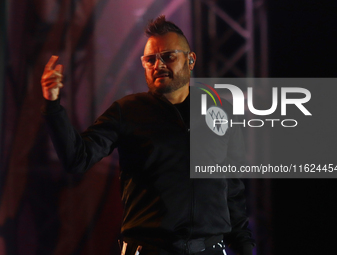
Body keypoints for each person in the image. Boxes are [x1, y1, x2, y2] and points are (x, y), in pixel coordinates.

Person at [41, 15, 255, 255]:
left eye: (168, 56)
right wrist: (53, 105)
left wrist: (245, 248)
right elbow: (77, 158)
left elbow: (233, 192)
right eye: (150, 59)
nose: (158, 65)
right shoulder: (127, 111)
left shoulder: (220, 110)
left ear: (191, 60)